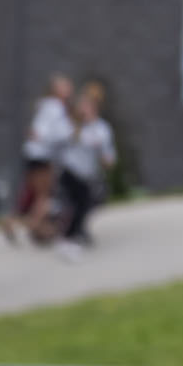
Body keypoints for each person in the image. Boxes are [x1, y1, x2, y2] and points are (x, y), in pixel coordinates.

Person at [9, 75, 75, 245]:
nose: (69, 88)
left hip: (33, 154)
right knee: (44, 196)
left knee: (32, 196)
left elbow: (38, 131)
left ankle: (26, 225)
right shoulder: (56, 107)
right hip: (42, 156)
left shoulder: (46, 105)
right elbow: (48, 133)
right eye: (65, 86)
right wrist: (70, 133)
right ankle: (29, 225)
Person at [55, 83, 116, 260]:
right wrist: (77, 126)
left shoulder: (102, 129)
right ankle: (67, 238)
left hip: (88, 175)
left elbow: (108, 155)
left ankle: (75, 232)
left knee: (88, 204)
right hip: (70, 172)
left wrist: (106, 160)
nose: (86, 110)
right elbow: (59, 139)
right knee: (75, 206)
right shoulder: (71, 125)